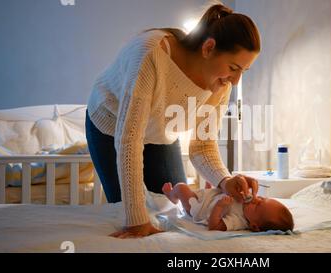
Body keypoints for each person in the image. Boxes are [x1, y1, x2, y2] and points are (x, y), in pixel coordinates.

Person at [85, 4, 261, 238]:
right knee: (131, 213)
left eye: (243, 71)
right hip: (110, 124)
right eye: (233, 68)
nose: (236, 81)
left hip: (160, 132)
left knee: (176, 208)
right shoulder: (151, 54)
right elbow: (129, 139)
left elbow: (202, 146)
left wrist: (225, 180)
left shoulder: (222, 84)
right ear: (209, 48)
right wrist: (137, 222)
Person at [162, 182, 294, 232]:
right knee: (215, 185)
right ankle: (209, 191)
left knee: (181, 188)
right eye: (262, 199)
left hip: (200, 209)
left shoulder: (238, 221)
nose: (256, 199)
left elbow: (213, 226)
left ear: (254, 225)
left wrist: (219, 206)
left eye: (258, 205)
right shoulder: (246, 203)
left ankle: (172, 196)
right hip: (210, 199)